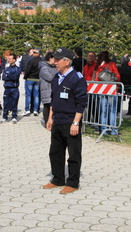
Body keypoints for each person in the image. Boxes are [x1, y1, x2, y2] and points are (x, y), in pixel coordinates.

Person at [43, 47, 87, 194]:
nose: (55, 62)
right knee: (55, 152)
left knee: (73, 153)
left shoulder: (77, 78)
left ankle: (73, 183)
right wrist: (50, 118)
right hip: (57, 120)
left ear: (67, 61)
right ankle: (57, 179)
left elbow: (81, 103)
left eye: (57, 59)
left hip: (70, 121)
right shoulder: (56, 78)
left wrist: (76, 122)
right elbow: (53, 100)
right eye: (54, 59)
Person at [93, 51, 121, 135]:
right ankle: (113, 130)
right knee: (112, 111)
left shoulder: (97, 66)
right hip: (111, 90)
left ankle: (103, 129)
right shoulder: (111, 64)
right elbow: (117, 76)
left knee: (103, 111)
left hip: (101, 90)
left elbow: (96, 79)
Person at [0, 53, 21, 124]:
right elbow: (3, 77)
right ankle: (4, 117)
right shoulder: (7, 68)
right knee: (5, 103)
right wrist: (8, 76)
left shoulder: (17, 69)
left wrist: (8, 75)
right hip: (7, 88)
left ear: (14, 60)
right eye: (8, 59)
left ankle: (14, 117)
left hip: (14, 88)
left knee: (14, 103)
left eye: (10, 59)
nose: (8, 60)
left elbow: (15, 77)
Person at [39, 52, 57, 127]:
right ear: (50, 58)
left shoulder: (54, 67)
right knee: (47, 106)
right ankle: (47, 122)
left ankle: (52, 121)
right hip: (47, 90)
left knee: (53, 107)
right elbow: (50, 78)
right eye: (54, 59)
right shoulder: (44, 67)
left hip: (53, 90)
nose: (55, 60)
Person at [23, 49, 41, 116]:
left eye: (34, 52)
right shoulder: (41, 61)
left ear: (36, 53)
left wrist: (25, 77)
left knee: (28, 95)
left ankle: (27, 109)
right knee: (36, 95)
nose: (32, 54)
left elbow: (27, 70)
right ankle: (35, 110)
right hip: (38, 79)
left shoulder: (31, 61)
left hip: (30, 78)